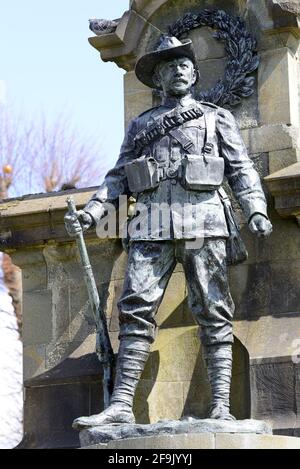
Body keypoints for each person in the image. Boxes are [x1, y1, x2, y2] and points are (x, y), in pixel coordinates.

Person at [65, 36, 273, 428]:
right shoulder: (141, 126)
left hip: (204, 222)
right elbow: (118, 177)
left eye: (184, 66)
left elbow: (241, 167)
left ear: (194, 75)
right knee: (135, 309)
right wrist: (93, 213)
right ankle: (122, 404)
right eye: (170, 66)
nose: (178, 71)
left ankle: (220, 407)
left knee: (213, 309)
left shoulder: (215, 118)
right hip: (150, 224)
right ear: (158, 78)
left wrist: (256, 209)